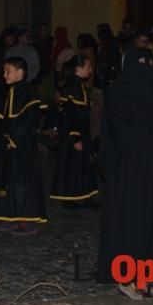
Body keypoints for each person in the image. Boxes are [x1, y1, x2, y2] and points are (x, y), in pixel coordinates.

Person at [95, 45, 153, 293]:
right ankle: (129, 274)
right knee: (131, 218)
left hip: (152, 166)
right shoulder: (118, 93)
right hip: (129, 167)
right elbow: (123, 134)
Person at [0, 57, 47, 233]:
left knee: (23, 181)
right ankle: (12, 215)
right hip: (9, 144)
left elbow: (29, 119)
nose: (4, 75)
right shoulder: (11, 91)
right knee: (9, 181)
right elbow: (4, 117)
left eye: (8, 71)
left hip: (22, 146)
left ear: (19, 73)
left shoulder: (28, 91)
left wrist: (15, 138)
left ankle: (26, 219)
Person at [50, 55, 98, 208]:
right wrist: (75, 136)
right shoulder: (75, 87)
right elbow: (72, 113)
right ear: (79, 68)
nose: (90, 70)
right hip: (75, 133)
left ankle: (82, 196)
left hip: (77, 131)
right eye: (87, 66)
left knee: (78, 164)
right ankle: (73, 198)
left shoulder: (76, 85)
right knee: (75, 164)